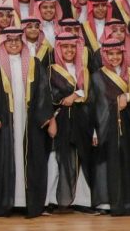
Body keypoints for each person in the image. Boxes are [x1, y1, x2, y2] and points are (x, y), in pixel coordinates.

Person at [0, 25, 47, 217]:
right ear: (3, 43)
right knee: (7, 158)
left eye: (17, 40)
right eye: (9, 41)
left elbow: (43, 90)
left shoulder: (34, 62)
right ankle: (8, 202)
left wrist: (44, 116)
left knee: (29, 158)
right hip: (6, 121)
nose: (13, 44)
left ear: (22, 42)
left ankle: (28, 202)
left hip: (29, 120)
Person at [37, 33, 92, 211]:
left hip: (81, 120)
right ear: (58, 49)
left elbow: (91, 95)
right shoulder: (51, 70)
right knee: (55, 159)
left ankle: (81, 201)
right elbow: (46, 98)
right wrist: (51, 121)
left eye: (72, 47)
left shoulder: (83, 70)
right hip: (60, 120)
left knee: (80, 159)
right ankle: (49, 201)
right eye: (65, 47)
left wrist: (76, 95)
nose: (69, 50)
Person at [86, 38, 130, 216]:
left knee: (126, 162)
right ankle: (106, 202)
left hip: (127, 127)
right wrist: (94, 130)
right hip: (104, 126)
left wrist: (128, 97)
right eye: (110, 54)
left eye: (118, 54)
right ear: (104, 55)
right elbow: (93, 105)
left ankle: (127, 202)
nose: (114, 57)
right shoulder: (97, 76)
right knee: (106, 163)